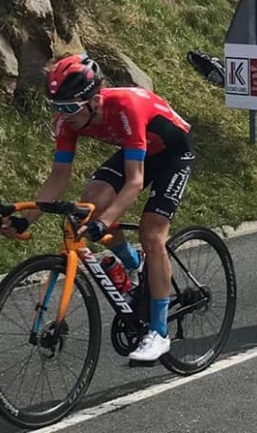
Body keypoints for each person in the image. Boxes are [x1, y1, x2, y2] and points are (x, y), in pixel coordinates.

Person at [0, 54, 194, 362]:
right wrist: (27, 220)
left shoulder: (126, 107)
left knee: (152, 234)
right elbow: (58, 177)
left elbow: (134, 182)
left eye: (69, 108)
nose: (63, 115)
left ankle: (158, 333)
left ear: (94, 101)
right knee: (89, 205)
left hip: (173, 154)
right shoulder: (67, 121)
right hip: (137, 151)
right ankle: (133, 264)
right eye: (57, 107)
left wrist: (104, 224)